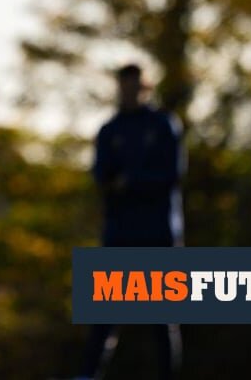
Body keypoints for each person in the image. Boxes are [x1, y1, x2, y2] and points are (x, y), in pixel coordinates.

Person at [79, 64, 185, 380]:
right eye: (124, 87)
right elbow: (102, 176)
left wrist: (133, 181)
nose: (129, 93)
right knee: (105, 313)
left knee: (161, 318)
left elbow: (171, 175)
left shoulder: (163, 125)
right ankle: (88, 375)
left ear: (144, 88)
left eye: (135, 87)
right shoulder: (110, 130)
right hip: (119, 234)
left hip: (157, 234)